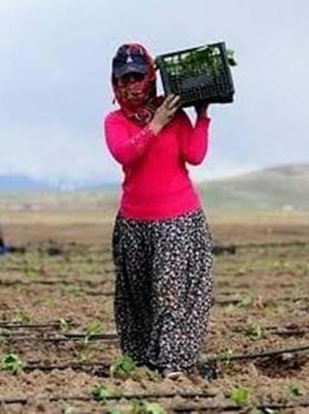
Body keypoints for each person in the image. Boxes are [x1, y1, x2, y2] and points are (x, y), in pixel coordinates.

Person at [104, 42, 214, 379]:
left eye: (138, 76)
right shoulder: (115, 121)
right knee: (137, 295)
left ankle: (173, 365)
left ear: (151, 76)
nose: (131, 85)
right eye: (123, 79)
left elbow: (194, 155)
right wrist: (155, 125)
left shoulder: (174, 114)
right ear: (114, 83)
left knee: (171, 292)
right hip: (135, 221)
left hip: (178, 219)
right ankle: (141, 362)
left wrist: (202, 115)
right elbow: (125, 154)